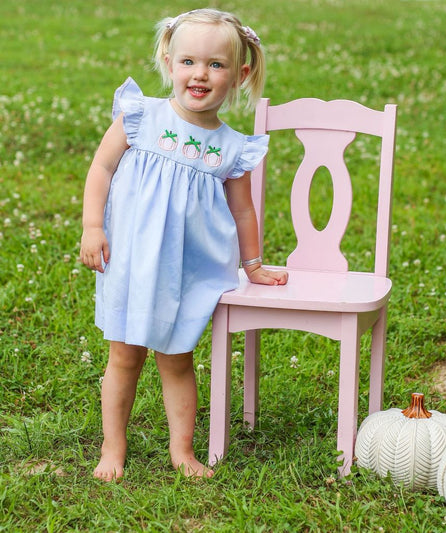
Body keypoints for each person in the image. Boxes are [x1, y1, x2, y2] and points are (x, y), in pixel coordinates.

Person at [80, 8, 288, 482]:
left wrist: (252, 264)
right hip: (131, 262)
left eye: (216, 65)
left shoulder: (234, 148)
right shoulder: (140, 117)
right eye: (189, 61)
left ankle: (182, 450)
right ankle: (113, 447)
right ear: (169, 62)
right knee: (124, 356)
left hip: (183, 271)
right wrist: (93, 226)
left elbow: (243, 211)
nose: (201, 74)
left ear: (241, 73)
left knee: (176, 361)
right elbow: (102, 169)